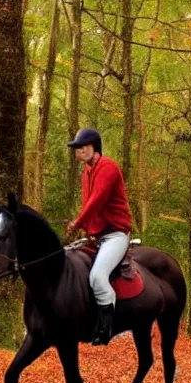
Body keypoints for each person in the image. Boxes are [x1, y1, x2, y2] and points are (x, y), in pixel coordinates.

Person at [66, 128, 132, 346]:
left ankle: (108, 328)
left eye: (82, 146)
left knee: (97, 276)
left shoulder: (108, 167)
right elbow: (88, 204)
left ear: (94, 147)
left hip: (115, 235)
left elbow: (97, 201)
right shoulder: (86, 172)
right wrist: (85, 231)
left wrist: (77, 223)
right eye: (77, 148)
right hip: (96, 236)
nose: (79, 151)